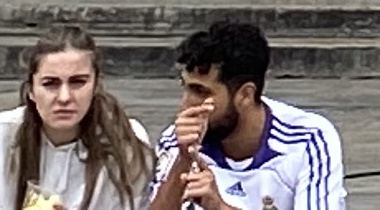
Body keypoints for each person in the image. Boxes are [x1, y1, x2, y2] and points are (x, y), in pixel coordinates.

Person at [0, 26, 155, 210]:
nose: (65, 97)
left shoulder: (126, 144)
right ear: (31, 90)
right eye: (50, 84)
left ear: (96, 84)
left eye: (78, 82)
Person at [144, 20, 340, 210]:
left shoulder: (307, 139)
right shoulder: (178, 138)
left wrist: (219, 207)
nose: (186, 104)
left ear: (245, 95)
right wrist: (183, 162)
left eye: (201, 92)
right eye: (185, 88)